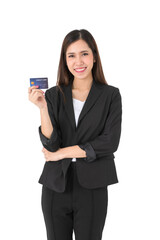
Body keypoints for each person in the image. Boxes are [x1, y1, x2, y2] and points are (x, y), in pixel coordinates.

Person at [28, 29, 122, 240]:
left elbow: (109, 142)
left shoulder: (111, 95)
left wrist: (62, 154)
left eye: (84, 54)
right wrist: (43, 108)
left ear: (95, 57)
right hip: (56, 185)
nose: (78, 61)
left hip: (93, 185)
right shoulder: (53, 94)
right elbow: (51, 145)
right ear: (65, 60)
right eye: (71, 55)